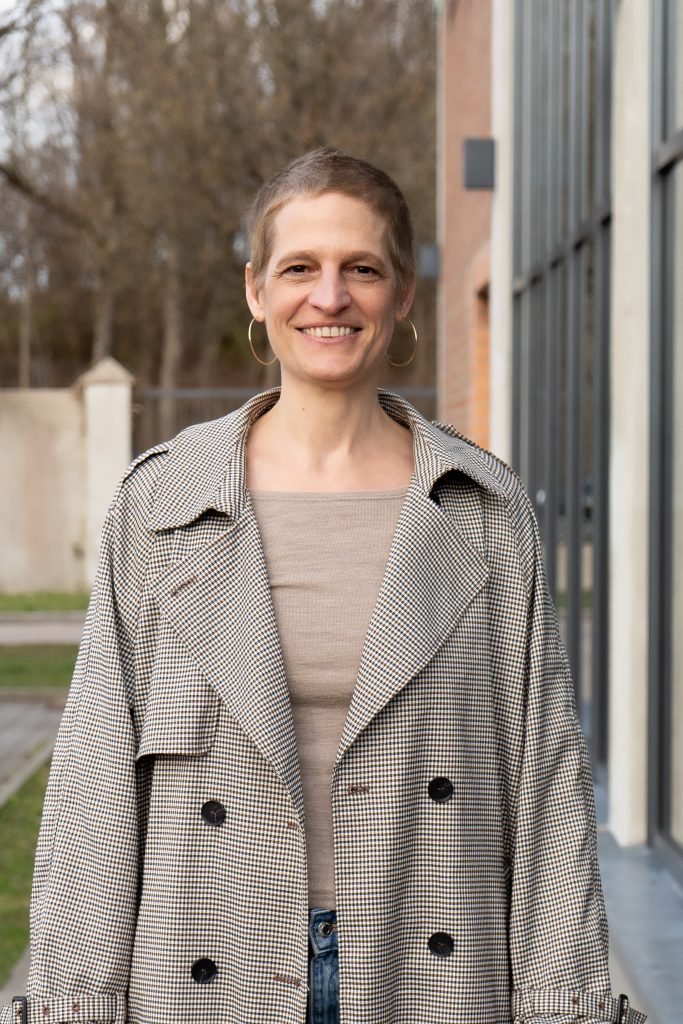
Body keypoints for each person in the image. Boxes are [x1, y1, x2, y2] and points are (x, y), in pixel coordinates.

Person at [2, 148, 646, 1024]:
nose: (330, 297)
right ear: (256, 291)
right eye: (299, 268)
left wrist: (559, 1001)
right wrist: (77, 1001)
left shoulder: (483, 510)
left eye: (362, 269)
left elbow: (545, 786)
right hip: (204, 964)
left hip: (432, 972)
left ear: (403, 294)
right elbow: (93, 780)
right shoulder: (161, 503)